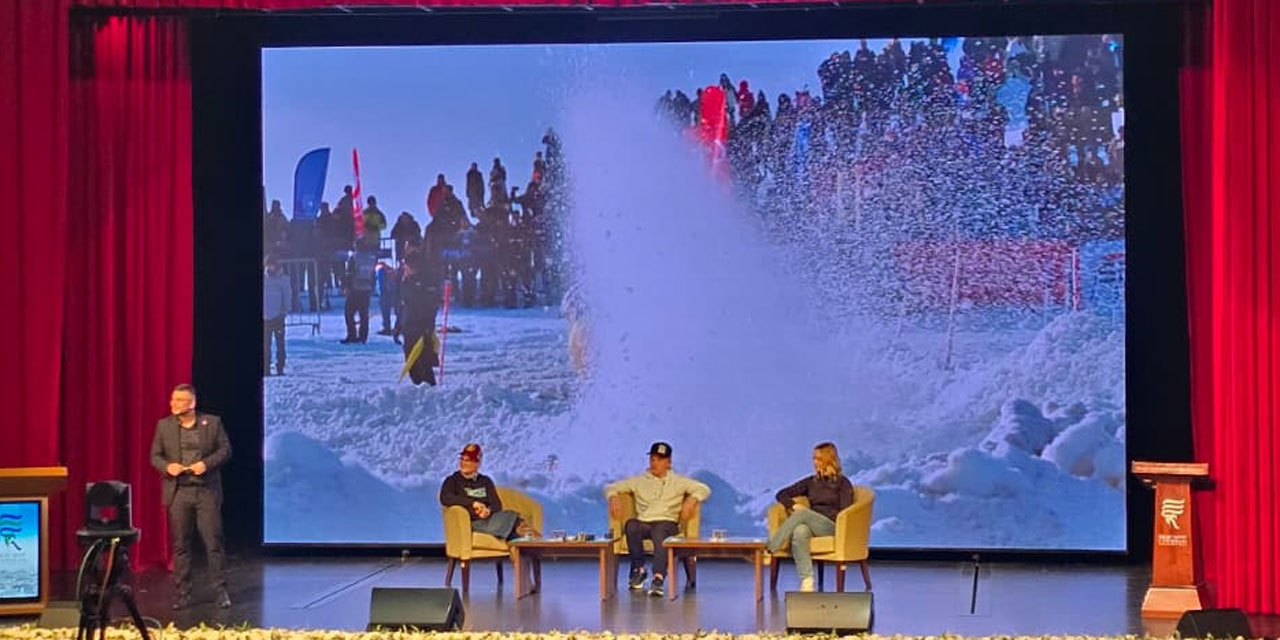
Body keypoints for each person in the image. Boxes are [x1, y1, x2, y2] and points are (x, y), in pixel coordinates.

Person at [148, 384, 232, 610]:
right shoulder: (164, 426)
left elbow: (225, 450)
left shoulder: (212, 423)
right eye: (173, 399)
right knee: (181, 545)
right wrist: (167, 467)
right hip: (179, 493)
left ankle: (220, 591)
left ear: (192, 404)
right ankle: (183, 593)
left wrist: (206, 464)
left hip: (206, 491)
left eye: (180, 400)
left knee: (213, 542)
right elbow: (155, 456)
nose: (173, 404)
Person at [605, 442, 710, 597]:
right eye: (653, 459)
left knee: (660, 530)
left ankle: (658, 578)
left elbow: (704, 489)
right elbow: (610, 487)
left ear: (668, 462)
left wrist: (693, 499)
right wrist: (613, 497)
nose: (655, 463)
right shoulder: (639, 481)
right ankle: (639, 570)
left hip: (668, 523)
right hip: (645, 522)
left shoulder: (679, 481)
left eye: (660, 460)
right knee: (631, 525)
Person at [767, 442, 854, 592]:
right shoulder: (811, 482)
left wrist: (809, 515)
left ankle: (771, 548)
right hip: (810, 523)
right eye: (813, 458)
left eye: (818, 459)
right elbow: (781, 494)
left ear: (829, 459)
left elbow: (844, 511)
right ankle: (807, 580)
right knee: (800, 531)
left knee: (802, 514)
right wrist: (793, 505)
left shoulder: (842, 483)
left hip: (832, 526)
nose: (814, 462)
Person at [439, 444, 536, 538]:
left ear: (477, 463)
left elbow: (497, 505)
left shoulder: (485, 481)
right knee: (509, 524)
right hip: (471, 522)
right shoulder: (452, 480)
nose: (463, 463)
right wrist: (473, 504)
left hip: (490, 519)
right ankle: (522, 535)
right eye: (462, 459)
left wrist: (488, 511)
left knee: (508, 516)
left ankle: (527, 539)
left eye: (468, 460)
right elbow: (445, 498)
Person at [262, 255, 292, 375]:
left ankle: (280, 366)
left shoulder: (283, 279)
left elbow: (287, 295)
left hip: (278, 316)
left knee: (280, 344)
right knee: (266, 344)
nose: (270, 267)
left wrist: (285, 310)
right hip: (265, 317)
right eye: (268, 265)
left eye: (272, 265)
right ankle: (266, 368)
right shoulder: (264, 279)